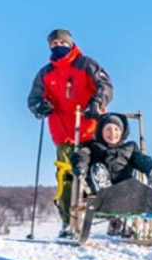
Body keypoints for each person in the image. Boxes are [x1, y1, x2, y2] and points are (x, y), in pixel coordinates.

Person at [27, 29, 114, 238]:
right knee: (66, 176)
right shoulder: (45, 73)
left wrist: (97, 102)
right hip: (63, 133)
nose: (58, 46)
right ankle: (68, 223)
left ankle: (115, 219)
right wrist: (40, 106)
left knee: (100, 173)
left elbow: (105, 86)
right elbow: (34, 98)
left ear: (70, 43)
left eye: (61, 42)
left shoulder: (86, 64)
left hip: (91, 131)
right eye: (53, 43)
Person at [71, 114, 152, 238]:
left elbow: (141, 159)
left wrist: (151, 168)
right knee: (98, 168)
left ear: (122, 132)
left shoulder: (129, 148)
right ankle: (104, 186)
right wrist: (80, 168)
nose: (113, 133)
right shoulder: (92, 146)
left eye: (116, 129)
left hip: (125, 190)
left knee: (136, 182)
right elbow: (81, 157)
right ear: (101, 131)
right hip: (97, 192)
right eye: (108, 129)